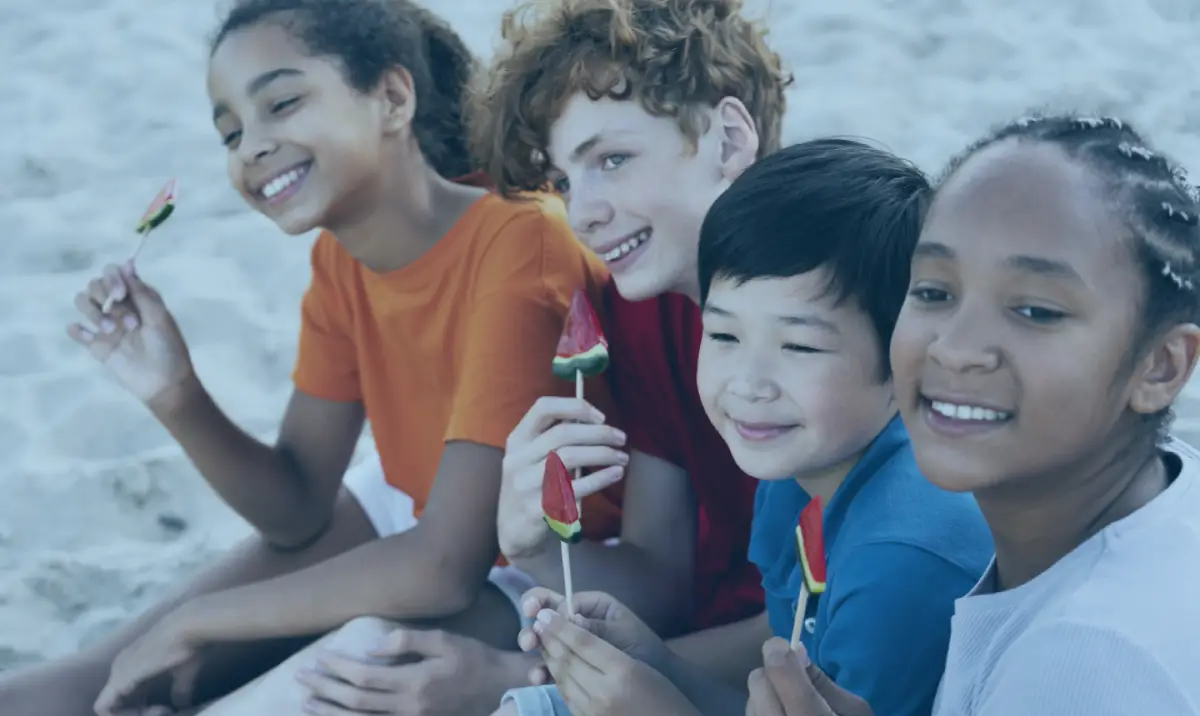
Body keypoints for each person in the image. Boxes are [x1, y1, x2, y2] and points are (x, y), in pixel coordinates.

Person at [0, 1, 619, 715]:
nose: (252, 146)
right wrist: (175, 392)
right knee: (95, 680)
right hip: (416, 504)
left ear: (391, 98)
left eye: (282, 104)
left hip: (551, 562)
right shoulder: (340, 260)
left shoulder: (521, 239)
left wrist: (197, 620)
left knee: (337, 670)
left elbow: (448, 566)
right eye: (231, 132)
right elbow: (297, 510)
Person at [509, 138, 994, 716]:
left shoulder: (900, 562)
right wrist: (653, 660)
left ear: (907, 356)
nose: (749, 384)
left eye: (799, 345)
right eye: (724, 336)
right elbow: (779, 677)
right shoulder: (800, 471)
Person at [746, 114, 1200, 715]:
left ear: (1161, 367)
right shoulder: (1168, 487)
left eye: (1036, 311)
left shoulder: (1085, 659)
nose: (955, 347)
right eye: (934, 291)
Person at [469, 0, 791, 691]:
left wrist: (533, 678)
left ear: (729, 142)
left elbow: (836, 623)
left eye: (611, 159)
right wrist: (531, 542)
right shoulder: (641, 314)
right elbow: (659, 577)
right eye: (562, 180)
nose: (579, 211)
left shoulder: (838, 308)